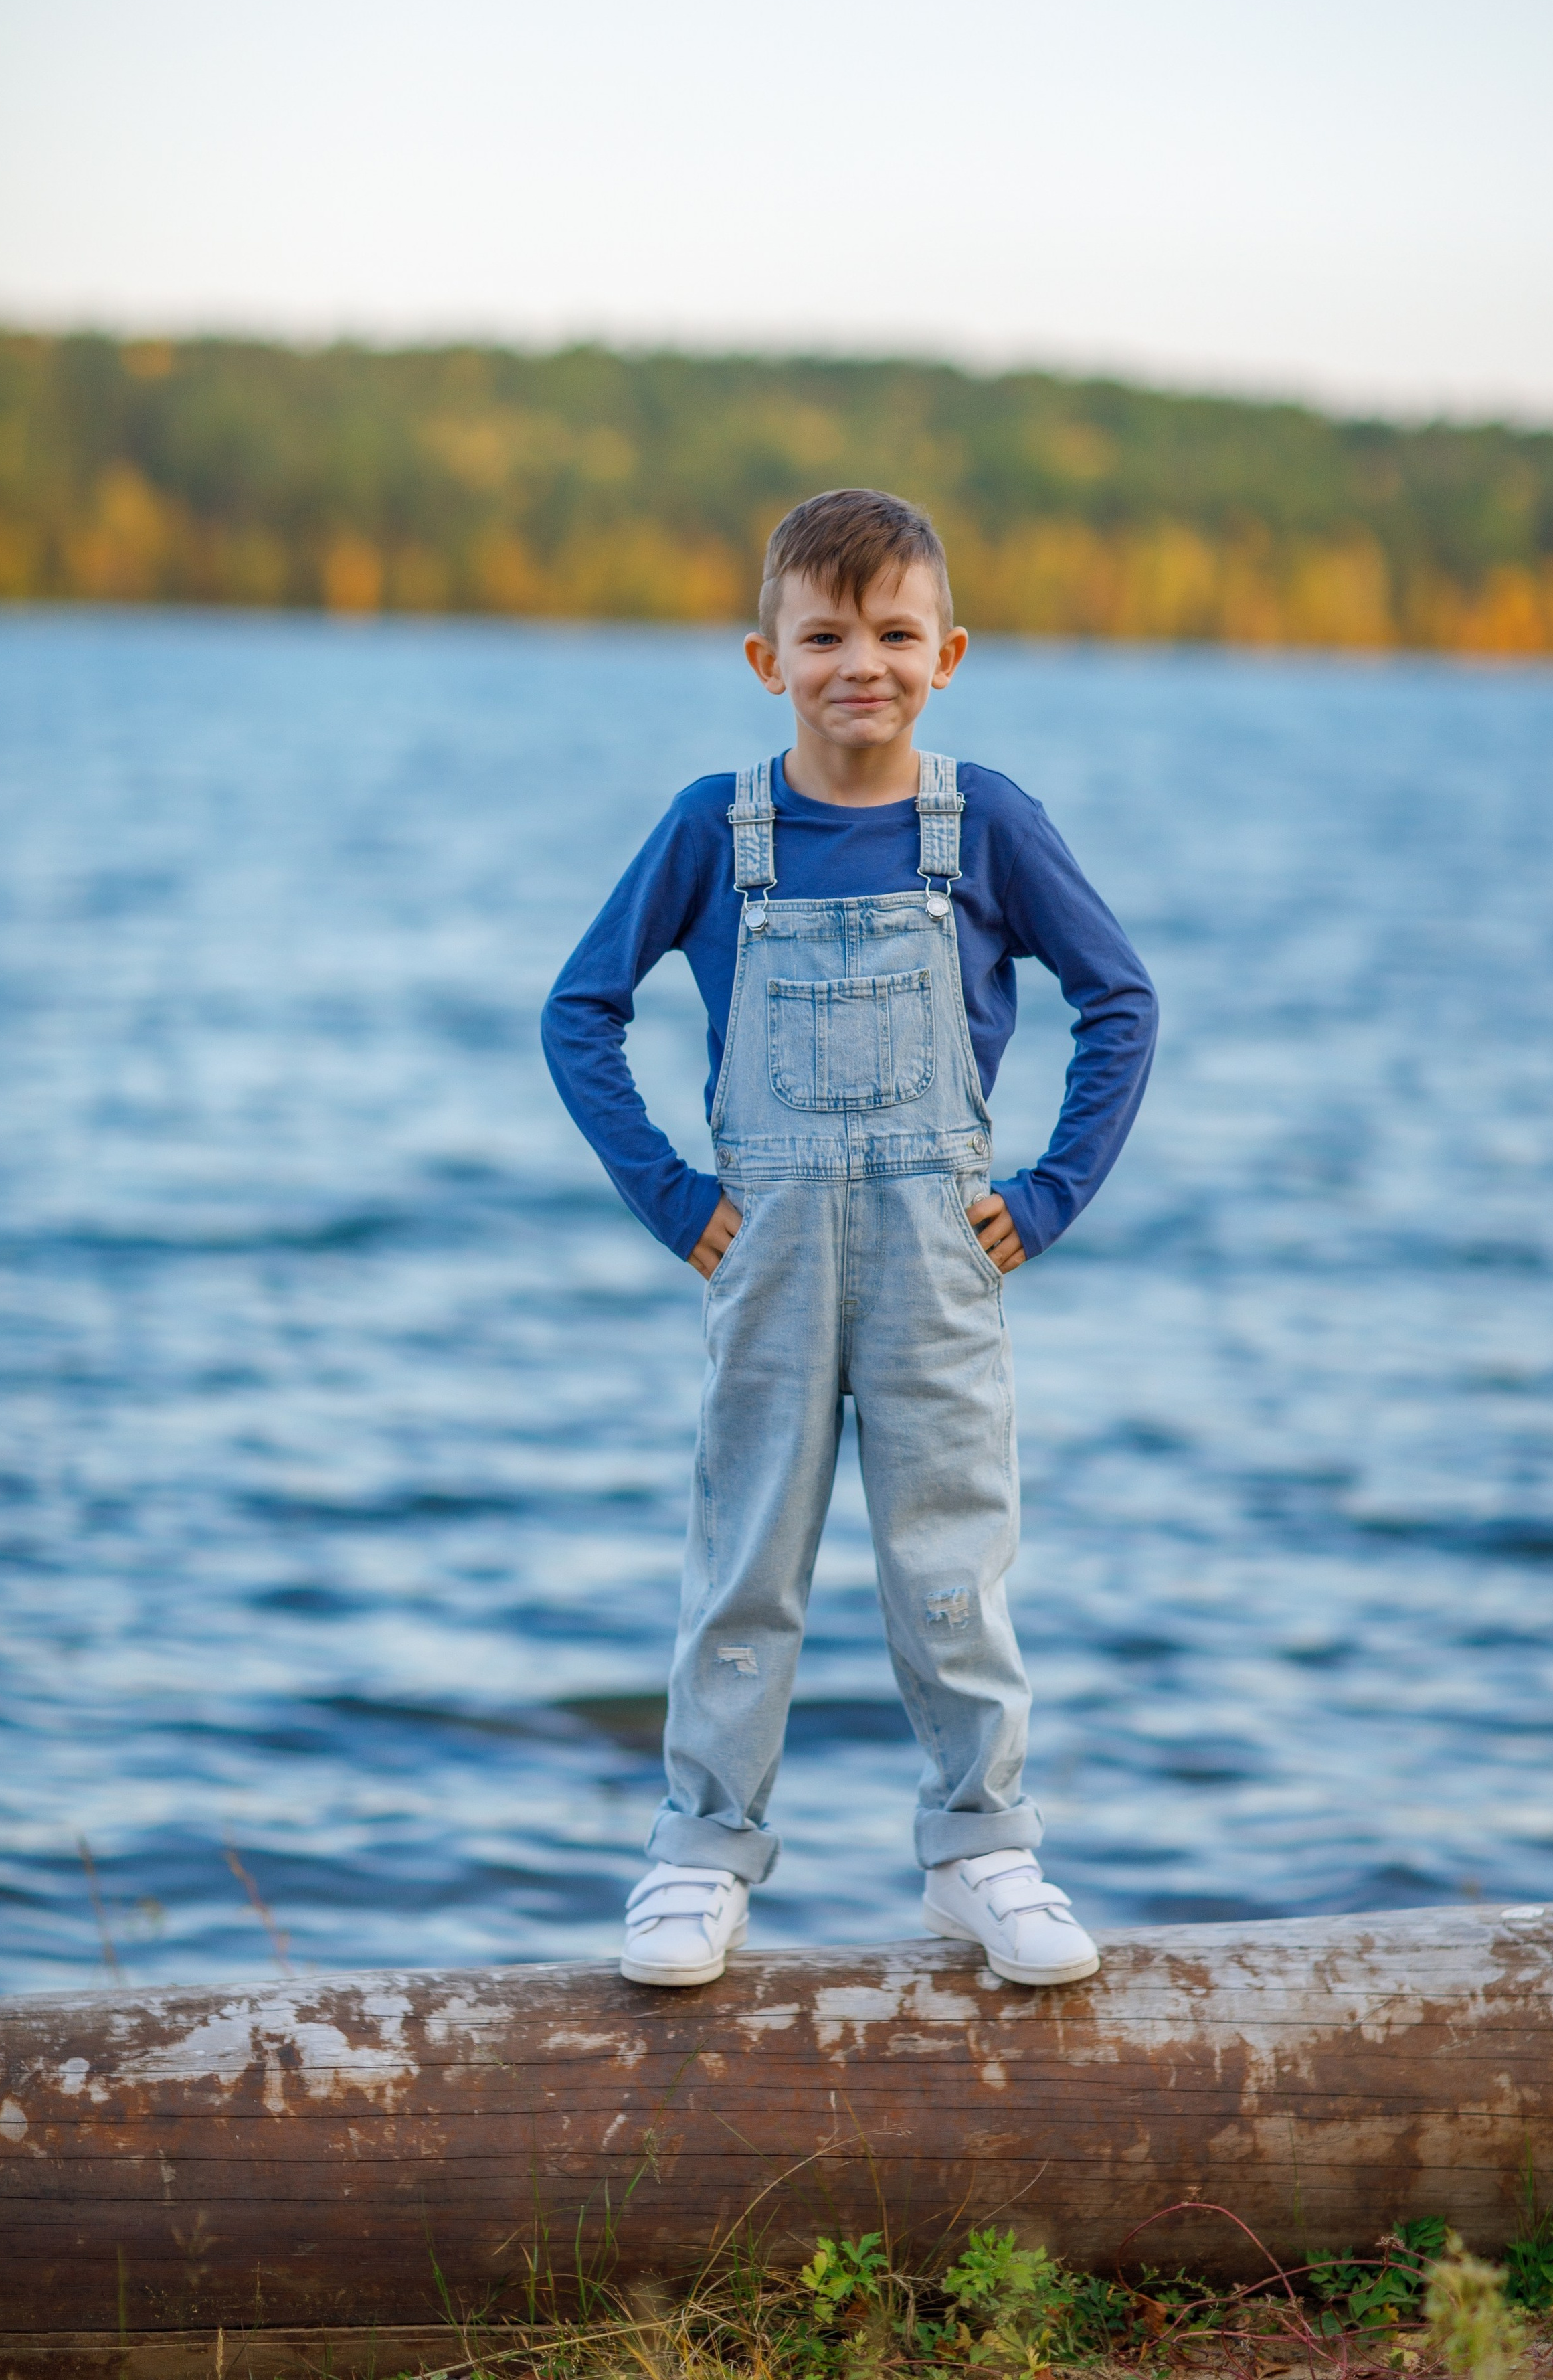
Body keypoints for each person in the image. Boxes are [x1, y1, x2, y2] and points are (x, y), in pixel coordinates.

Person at [542, 489, 1158, 1988]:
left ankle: (980, 1852)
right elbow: (578, 1014)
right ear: (768, 659)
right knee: (745, 1558)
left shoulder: (986, 823)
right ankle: (701, 1856)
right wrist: (674, 1197)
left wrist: (1052, 1194)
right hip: (765, 1253)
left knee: (950, 1561)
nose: (859, 665)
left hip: (938, 1252)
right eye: (823, 637)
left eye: (893, 634)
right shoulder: (715, 828)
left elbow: (1120, 1002)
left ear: (948, 653)